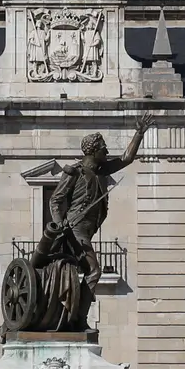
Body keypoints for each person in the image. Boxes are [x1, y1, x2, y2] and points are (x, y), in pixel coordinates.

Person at [48, 111, 155, 293]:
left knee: (78, 272)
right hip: (75, 228)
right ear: (93, 150)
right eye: (103, 148)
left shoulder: (101, 171)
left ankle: (74, 308)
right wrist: (59, 226)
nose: (107, 151)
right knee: (94, 271)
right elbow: (55, 200)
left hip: (89, 229)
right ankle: (79, 316)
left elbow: (126, 158)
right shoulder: (75, 172)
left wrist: (139, 134)